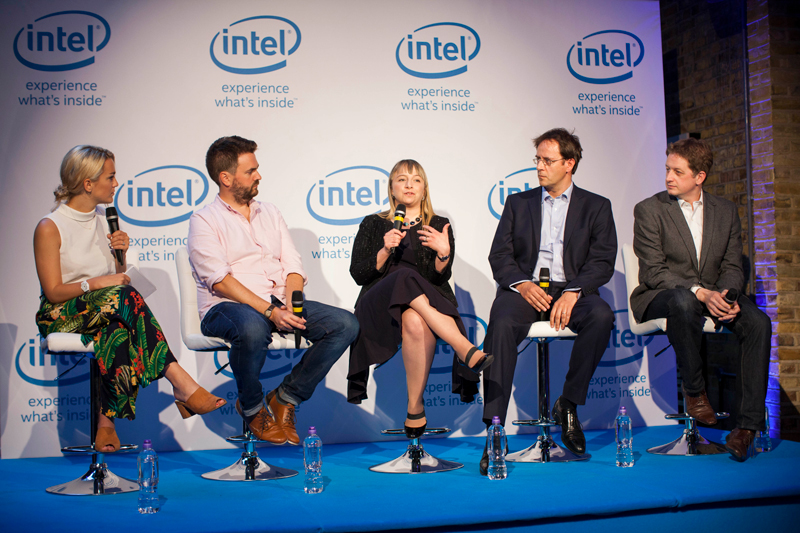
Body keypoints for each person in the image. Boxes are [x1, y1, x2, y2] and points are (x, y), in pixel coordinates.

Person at [34, 145, 226, 453]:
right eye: (110, 177)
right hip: (60, 313)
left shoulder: (106, 220)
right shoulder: (50, 226)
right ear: (87, 183)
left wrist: (119, 258)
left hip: (104, 308)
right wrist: (97, 283)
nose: (116, 183)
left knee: (117, 330)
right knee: (121, 299)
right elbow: (54, 291)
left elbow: (118, 278)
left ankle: (106, 422)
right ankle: (180, 382)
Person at [188, 136, 359, 446]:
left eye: (257, 169)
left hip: (277, 302)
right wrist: (269, 311)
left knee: (345, 324)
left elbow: (292, 266)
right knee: (253, 327)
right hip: (226, 307)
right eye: (250, 171)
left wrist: (291, 305)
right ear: (226, 178)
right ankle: (252, 407)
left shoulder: (270, 212)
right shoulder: (204, 220)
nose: (259, 176)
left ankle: (286, 397)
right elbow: (220, 280)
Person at [482, 128, 617, 474]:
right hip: (526, 290)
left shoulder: (597, 206)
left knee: (602, 316)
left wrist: (574, 291)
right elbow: (499, 256)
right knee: (501, 320)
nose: (539, 167)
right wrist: (522, 284)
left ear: (569, 163)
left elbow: (602, 262)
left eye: (548, 160)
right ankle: (495, 429)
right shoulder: (518, 203)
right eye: (538, 159)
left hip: (572, 290)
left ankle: (568, 403)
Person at [631, 138, 770, 462]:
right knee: (683, 301)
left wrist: (726, 296)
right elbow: (654, 271)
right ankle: (695, 392)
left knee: (759, 323)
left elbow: (733, 265)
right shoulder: (650, 209)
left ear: (700, 176)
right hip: (662, 295)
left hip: (712, 295)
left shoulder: (725, 211)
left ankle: (746, 429)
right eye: (668, 169)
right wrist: (699, 292)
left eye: (678, 172)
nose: (669, 177)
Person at [347, 159, 492, 437]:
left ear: (424, 189)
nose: (409, 185)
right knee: (403, 276)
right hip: (378, 305)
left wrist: (443, 253)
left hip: (422, 304)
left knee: (415, 320)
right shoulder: (373, 224)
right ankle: (464, 348)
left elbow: (438, 278)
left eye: (416, 180)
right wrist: (384, 251)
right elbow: (358, 274)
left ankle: (415, 406)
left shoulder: (438, 225)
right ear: (391, 188)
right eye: (401, 179)